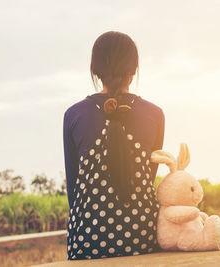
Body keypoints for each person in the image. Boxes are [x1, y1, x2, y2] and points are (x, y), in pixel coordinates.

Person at [63, 31, 165, 260]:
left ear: (95, 69)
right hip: (144, 237)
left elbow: (74, 188)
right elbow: (148, 178)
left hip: (86, 242)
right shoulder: (155, 114)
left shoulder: (74, 115)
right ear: (134, 69)